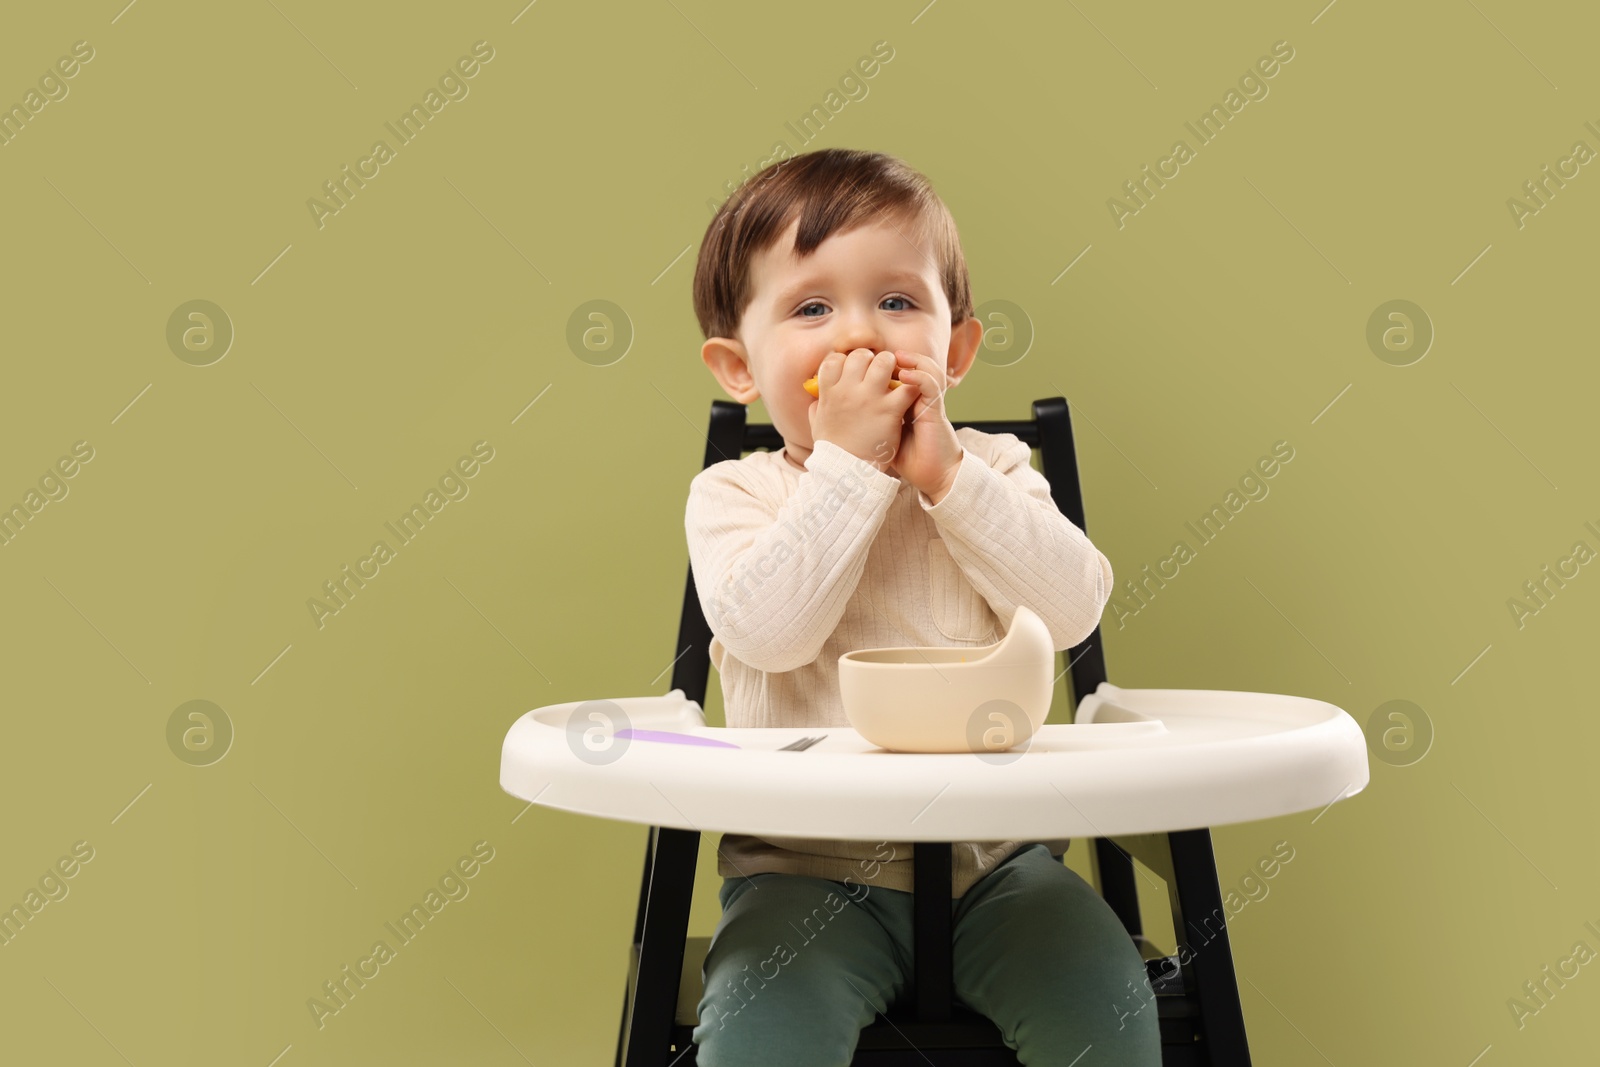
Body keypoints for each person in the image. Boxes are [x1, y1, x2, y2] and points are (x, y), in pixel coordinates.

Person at [683, 147, 1159, 1066]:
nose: (861, 335)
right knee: (758, 1036)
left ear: (959, 348)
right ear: (739, 367)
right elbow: (767, 635)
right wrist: (848, 471)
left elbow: (1071, 613)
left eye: (898, 303)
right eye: (813, 307)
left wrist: (948, 476)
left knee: (1109, 1012)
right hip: (802, 870)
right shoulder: (734, 495)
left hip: (998, 867)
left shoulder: (995, 471)